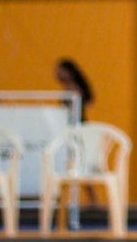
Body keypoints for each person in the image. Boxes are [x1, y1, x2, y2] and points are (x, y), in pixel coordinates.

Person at [54, 59, 97, 206]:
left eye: (60, 70)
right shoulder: (71, 88)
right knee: (75, 165)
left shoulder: (72, 89)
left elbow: (72, 112)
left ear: (69, 72)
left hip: (77, 132)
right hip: (75, 130)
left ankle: (91, 200)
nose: (57, 73)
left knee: (78, 164)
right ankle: (90, 199)